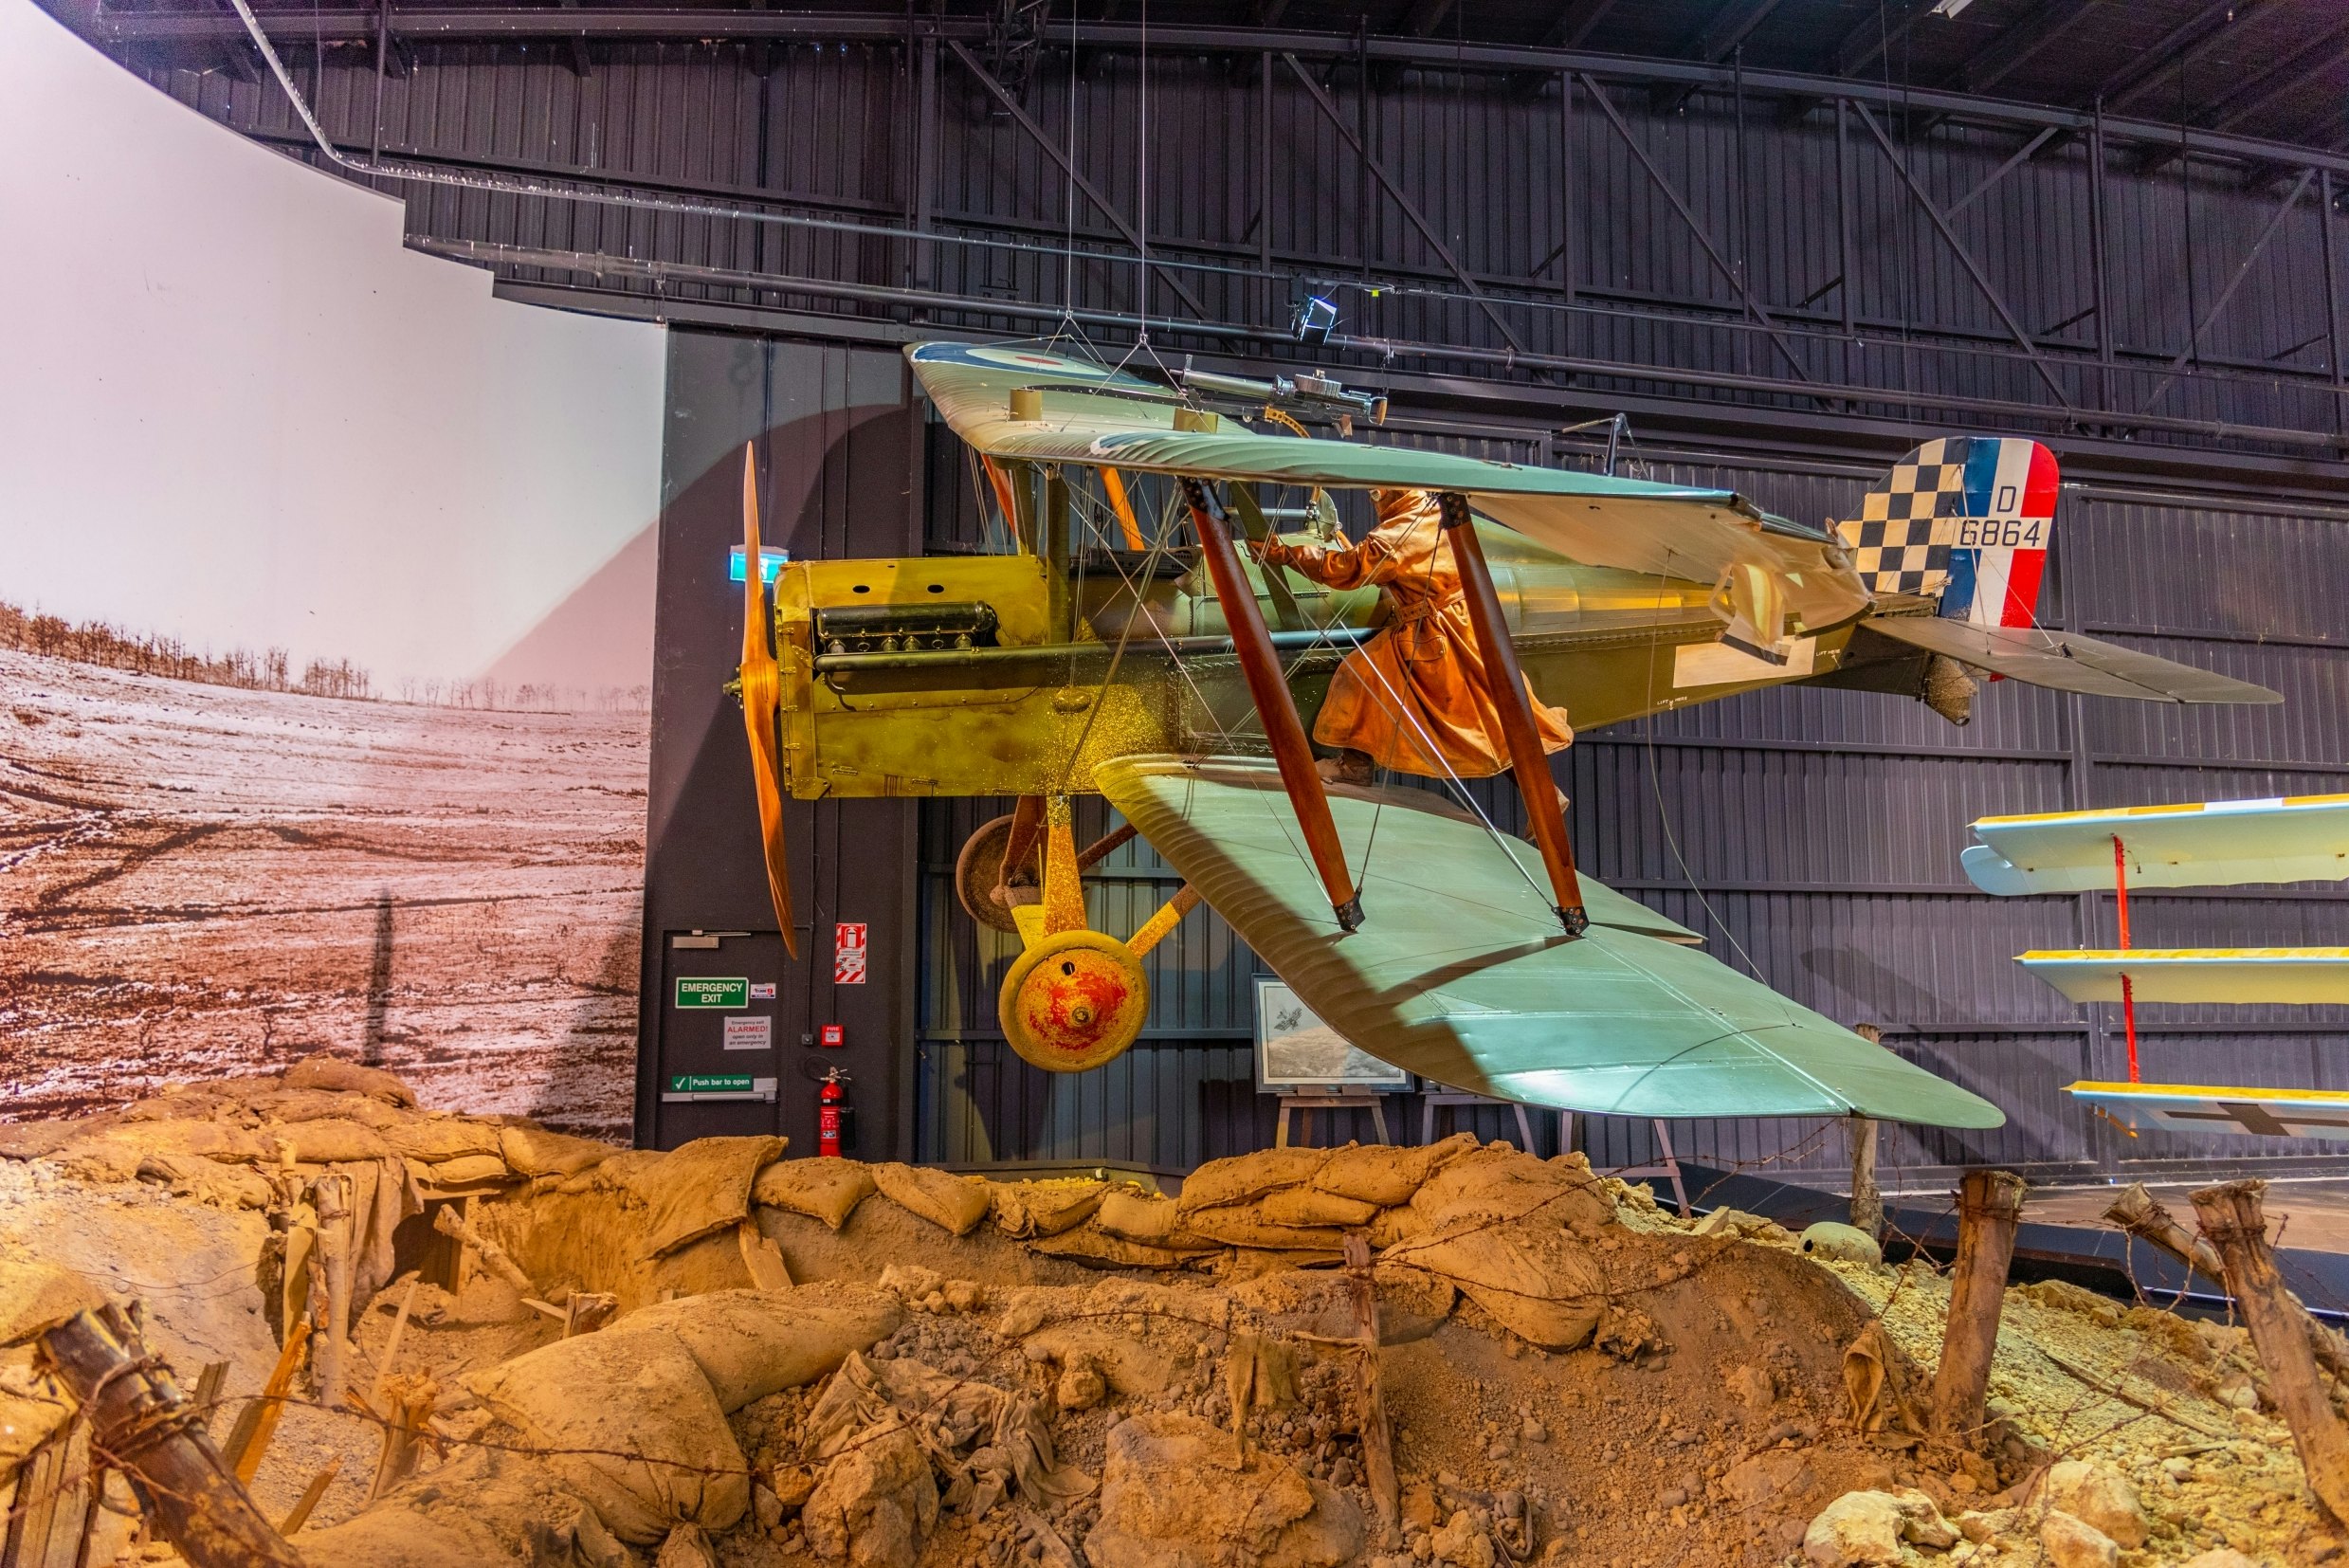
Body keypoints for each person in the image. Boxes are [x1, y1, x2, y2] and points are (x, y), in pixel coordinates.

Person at [1250, 487, 1572, 784]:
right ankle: (1543, 791)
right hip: (1465, 625)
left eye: (1376, 494)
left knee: (1361, 673)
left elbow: (1349, 568)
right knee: (1491, 713)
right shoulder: (1430, 512)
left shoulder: (1398, 534)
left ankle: (1355, 766)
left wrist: (1283, 553)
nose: (1374, 501)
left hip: (1434, 631)